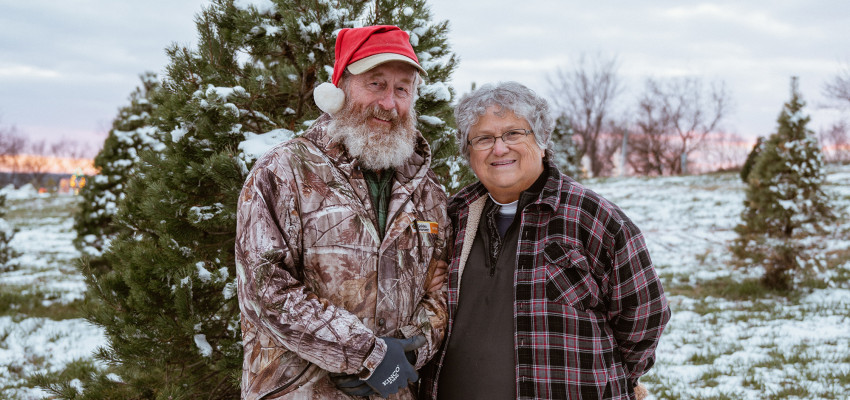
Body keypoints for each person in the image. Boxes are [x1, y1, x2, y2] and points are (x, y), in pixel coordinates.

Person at [235, 25, 450, 399]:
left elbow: (442, 289)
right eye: (376, 84)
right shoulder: (285, 171)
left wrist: (406, 354)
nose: (389, 103)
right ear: (340, 87)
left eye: (402, 89)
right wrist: (366, 354)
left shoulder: (428, 192)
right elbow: (265, 288)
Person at [422, 82, 670, 400]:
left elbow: (644, 316)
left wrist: (615, 381)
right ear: (468, 152)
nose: (499, 149)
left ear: (541, 140)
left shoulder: (592, 217)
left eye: (513, 133)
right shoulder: (453, 217)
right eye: (483, 138)